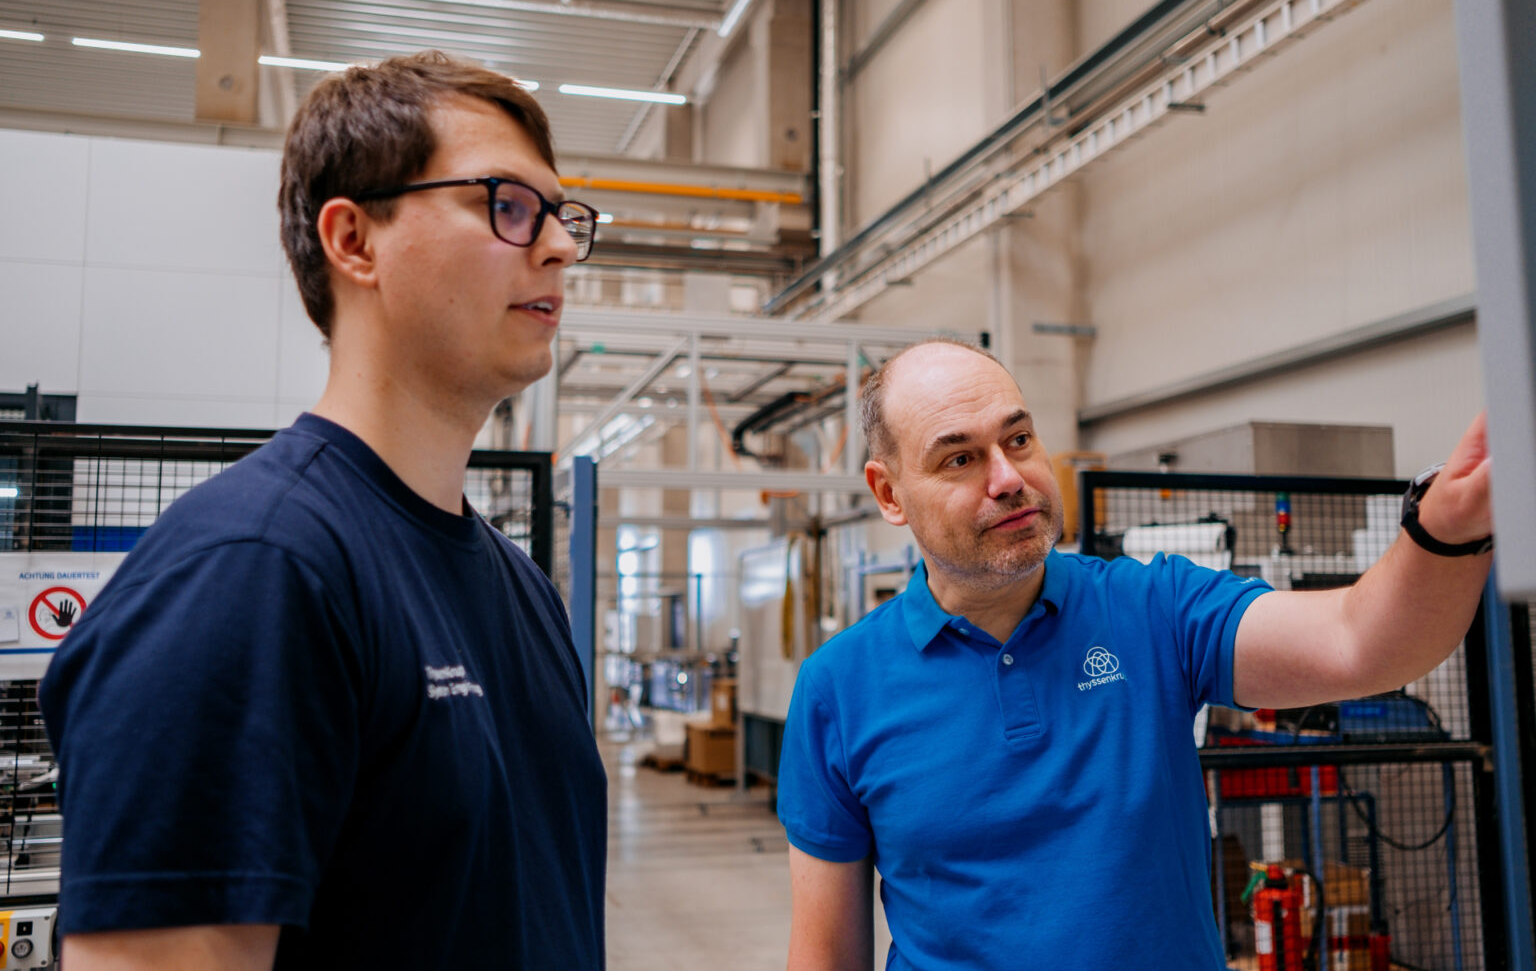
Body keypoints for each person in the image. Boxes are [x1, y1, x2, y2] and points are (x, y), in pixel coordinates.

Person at [39, 52, 607, 969]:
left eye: (562, 216)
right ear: (354, 241)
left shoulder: (524, 594)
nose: (559, 247)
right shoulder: (252, 572)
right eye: (506, 204)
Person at [777, 338, 1493, 970]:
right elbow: (826, 956)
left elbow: (1361, 641)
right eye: (960, 458)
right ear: (888, 493)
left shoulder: (1154, 611)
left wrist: (1447, 528)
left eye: (1019, 440)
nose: (1007, 477)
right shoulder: (839, 689)